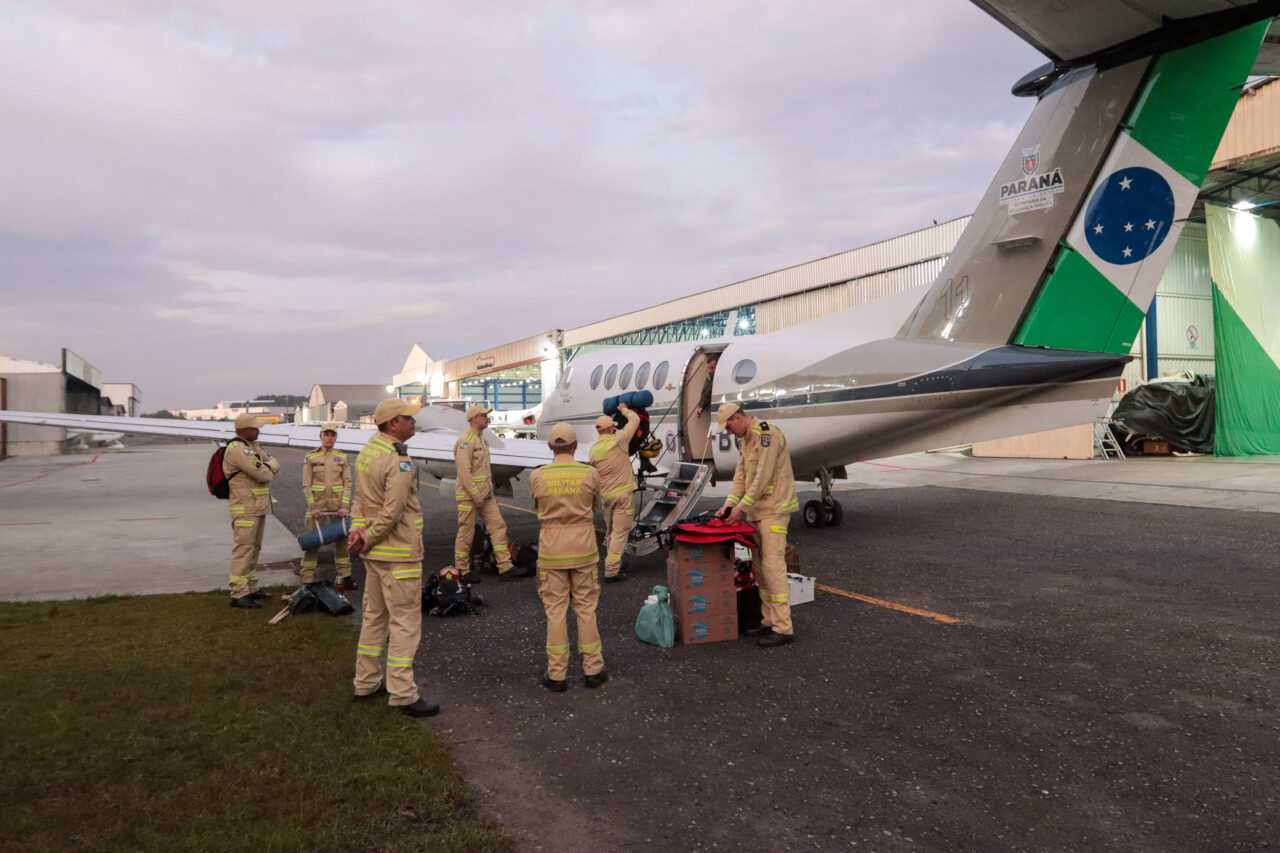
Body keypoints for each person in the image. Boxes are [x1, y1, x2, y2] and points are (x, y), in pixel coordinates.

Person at [346, 399, 438, 717]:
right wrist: (368, 535)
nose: (413, 423)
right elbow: (393, 510)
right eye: (407, 419)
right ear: (391, 424)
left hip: (374, 557)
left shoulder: (367, 452)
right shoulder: (398, 460)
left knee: (374, 619)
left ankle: (366, 681)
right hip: (399, 554)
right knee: (405, 624)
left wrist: (358, 532)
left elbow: (358, 499)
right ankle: (402, 693)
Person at [715, 402, 799, 647]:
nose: (729, 433)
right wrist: (729, 504)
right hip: (756, 511)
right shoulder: (745, 441)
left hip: (774, 510)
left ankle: (783, 627)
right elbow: (741, 477)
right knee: (760, 568)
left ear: (739, 417)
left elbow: (762, 477)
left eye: (729, 426)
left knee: (773, 566)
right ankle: (769, 620)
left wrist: (740, 508)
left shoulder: (767, 435)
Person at [530, 423, 605, 691]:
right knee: (586, 609)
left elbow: (537, 504)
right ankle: (593, 670)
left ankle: (557, 675)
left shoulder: (538, 476)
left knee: (555, 612)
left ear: (550, 447)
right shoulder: (590, 473)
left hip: (552, 551)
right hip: (584, 548)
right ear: (575, 446)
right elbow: (595, 505)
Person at [453, 405, 527, 579]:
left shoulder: (483, 440)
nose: (487, 418)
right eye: (483, 415)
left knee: (498, 526)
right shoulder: (465, 441)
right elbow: (464, 472)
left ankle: (505, 566)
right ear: (473, 418)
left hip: (486, 496)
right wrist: (475, 494)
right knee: (466, 533)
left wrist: (486, 493)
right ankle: (462, 570)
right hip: (470, 497)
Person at [224, 413, 279, 609]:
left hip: (257, 507)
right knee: (243, 550)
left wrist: (268, 464)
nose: (259, 430)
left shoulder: (253, 447)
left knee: (254, 548)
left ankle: (251, 587)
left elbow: (273, 463)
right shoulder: (238, 450)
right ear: (244, 430)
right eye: (255, 427)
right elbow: (263, 474)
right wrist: (268, 465)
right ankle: (238, 593)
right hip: (245, 508)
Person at [589, 402, 640, 582]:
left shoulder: (594, 450)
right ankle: (611, 570)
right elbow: (635, 419)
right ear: (610, 429)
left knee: (611, 532)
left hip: (607, 497)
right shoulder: (619, 440)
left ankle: (615, 562)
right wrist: (623, 409)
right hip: (623, 496)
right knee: (620, 532)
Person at [299, 422, 355, 587]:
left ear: (336, 437)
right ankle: (307, 578)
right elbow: (306, 485)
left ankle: (345, 575)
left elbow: (348, 483)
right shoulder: (311, 457)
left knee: (343, 542)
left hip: (338, 507)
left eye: (332, 435)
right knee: (313, 542)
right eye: (326, 434)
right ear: (321, 436)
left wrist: (344, 506)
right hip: (318, 508)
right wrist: (313, 507)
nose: (329, 438)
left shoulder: (342, 458)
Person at [694, 354, 719, 418]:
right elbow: (707, 391)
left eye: (712, 368)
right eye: (709, 368)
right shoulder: (710, 375)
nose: (710, 371)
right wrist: (701, 406)